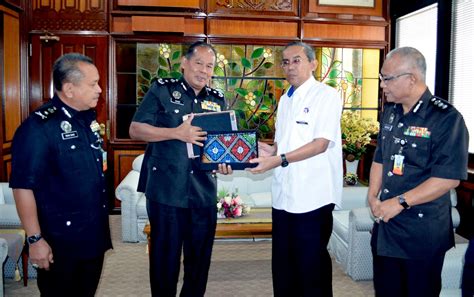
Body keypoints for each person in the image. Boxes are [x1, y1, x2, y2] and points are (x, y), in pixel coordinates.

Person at [129, 41, 232, 297]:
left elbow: (223, 143)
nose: (204, 71)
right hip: (167, 191)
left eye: (209, 66)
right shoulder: (163, 90)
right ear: (184, 63)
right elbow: (136, 129)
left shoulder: (217, 99)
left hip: (203, 192)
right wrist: (176, 132)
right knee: (165, 260)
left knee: (199, 262)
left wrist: (226, 161)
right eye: (199, 63)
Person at [368, 47, 469, 297]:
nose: (383, 85)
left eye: (387, 78)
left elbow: (448, 177)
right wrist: (372, 195)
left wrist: (400, 202)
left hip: (421, 234)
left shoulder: (446, 118)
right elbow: (381, 157)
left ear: (411, 78)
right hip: (387, 227)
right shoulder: (391, 112)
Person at [9, 53, 112, 296]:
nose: (99, 89)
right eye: (92, 84)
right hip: (60, 242)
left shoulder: (87, 120)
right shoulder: (38, 127)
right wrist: (35, 240)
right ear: (69, 88)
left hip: (91, 235)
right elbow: (23, 186)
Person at [248, 41, 343, 297]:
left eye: (297, 60)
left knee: (311, 270)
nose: (290, 67)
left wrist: (278, 159)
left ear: (313, 64)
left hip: (312, 198)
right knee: (283, 268)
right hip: (283, 197)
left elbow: (321, 144)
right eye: (286, 62)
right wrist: (266, 151)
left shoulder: (327, 95)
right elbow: (283, 144)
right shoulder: (285, 99)